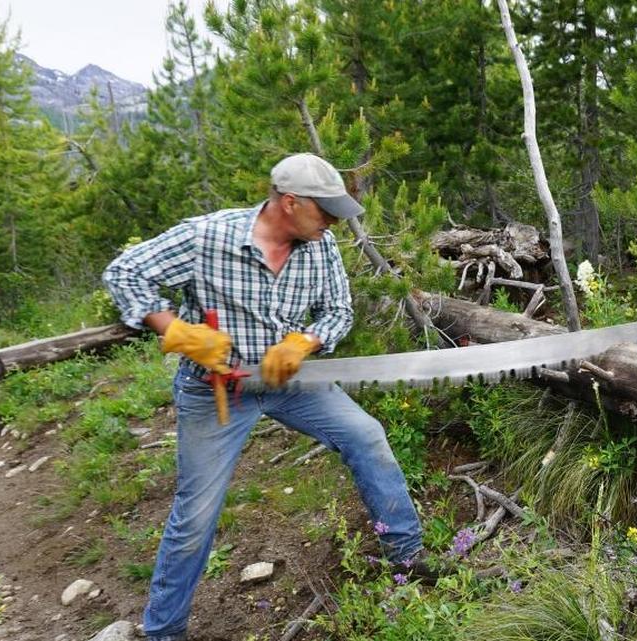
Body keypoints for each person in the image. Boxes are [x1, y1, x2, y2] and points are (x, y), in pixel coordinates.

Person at [103, 153, 436, 641]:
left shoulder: (318, 246)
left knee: (367, 435)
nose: (332, 223)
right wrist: (175, 330)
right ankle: (163, 631)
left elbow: (338, 311)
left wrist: (306, 342)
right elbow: (123, 272)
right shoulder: (207, 237)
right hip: (214, 390)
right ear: (288, 203)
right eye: (324, 212)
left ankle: (409, 557)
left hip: (291, 385)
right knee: (196, 516)